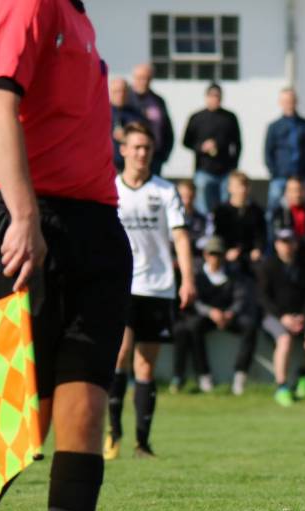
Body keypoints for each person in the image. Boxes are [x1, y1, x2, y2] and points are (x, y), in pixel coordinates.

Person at [0, 0, 134, 511]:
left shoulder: (81, 18)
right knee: (7, 421)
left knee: (84, 411)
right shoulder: (27, 2)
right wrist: (22, 216)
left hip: (96, 229)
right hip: (28, 224)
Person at [105, 124, 196, 461]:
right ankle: (113, 434)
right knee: (119, 354)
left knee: (145, 366)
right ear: (124, 150)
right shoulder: (110, 188)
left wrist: (187, 279)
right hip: (121, 284)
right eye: (136, 147)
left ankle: (142, 443)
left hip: (157, 287)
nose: (142, 153)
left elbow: (181, 238)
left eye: (147, 148)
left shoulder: (165, 191)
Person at [171, 236, 257, 396]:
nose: (215, 258)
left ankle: (240, 375)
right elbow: (195, 301)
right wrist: (211, 312)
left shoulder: (233, 274)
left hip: (229, 316)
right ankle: (204, 375)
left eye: (218, 254)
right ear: (205, 255)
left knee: (250, 326)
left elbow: (240, 297)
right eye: (211, 254)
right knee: (193, 327)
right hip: (207, 316)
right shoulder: (198, 275)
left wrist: (230, 313)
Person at [257, 230, 305, 407]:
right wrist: (283, 317)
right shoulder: (267, 266)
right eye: (283, 242)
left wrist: (303, 316)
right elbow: (263, 297)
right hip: (275, 316)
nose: (287, 246)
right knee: (285, 340)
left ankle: (304, 375)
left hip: (302, 316)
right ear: (277, 245)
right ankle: (282, 387)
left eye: (290, 242)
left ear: (295, 244)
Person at [182, 83, 241, 215]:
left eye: (217, 96)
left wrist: (234, 166)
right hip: (204, 170)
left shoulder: (230, 118)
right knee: (203, 206)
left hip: (225, 170)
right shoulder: (196, 117)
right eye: (212, 96)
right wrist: (201, 147)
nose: (215, 99)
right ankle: (204, 231)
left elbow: (237, 144)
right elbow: (186, 141)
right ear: (206, 97)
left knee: (226, 206)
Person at [263, 88, 305, 214]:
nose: (289, 103)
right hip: (280, 177)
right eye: (286, 101)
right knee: (273, 209)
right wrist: (275, 173)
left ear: (296, 102)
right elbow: (268, 153)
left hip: (304, 176)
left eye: (291, 100)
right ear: (280, 103)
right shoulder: (274, 127)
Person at [127, 63, 174, 175]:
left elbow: (167, 130)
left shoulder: (157, 101)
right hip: (129, 159)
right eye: (140, 78)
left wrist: (164, 154)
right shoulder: (126, 99)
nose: (143, 82)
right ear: (134, 78)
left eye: (147, 78)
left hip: (154, 159)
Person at [212, 171, 267, 268]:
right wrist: (226, 252)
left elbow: (261, 235)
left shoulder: (257, 211)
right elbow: (217, 236)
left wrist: (258, 249)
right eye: (238, 186)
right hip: (226, 257)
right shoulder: (221, 211)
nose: (242, 190)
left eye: (245, 186)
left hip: (250, 257)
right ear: (230, 188)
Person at [271, 176, 305, 261]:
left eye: (299, 190)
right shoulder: (279, 213)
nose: (297, 194)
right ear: (286, 192)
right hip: (287, 256)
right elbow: (280, 237)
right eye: (293, 190)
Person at [109, 77, 145, 172]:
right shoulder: (100, 113)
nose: (120, 95)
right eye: (116, 91)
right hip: (107, 165)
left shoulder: (137, 114)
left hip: (130, 165)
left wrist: (126, 137)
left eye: (123, 91)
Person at [175, 178, 210, 251]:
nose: (187, 201)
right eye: (183, 196)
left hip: (195, 257)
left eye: (190, 197)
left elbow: (206, 239)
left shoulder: (203, 219)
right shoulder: (169, 218)